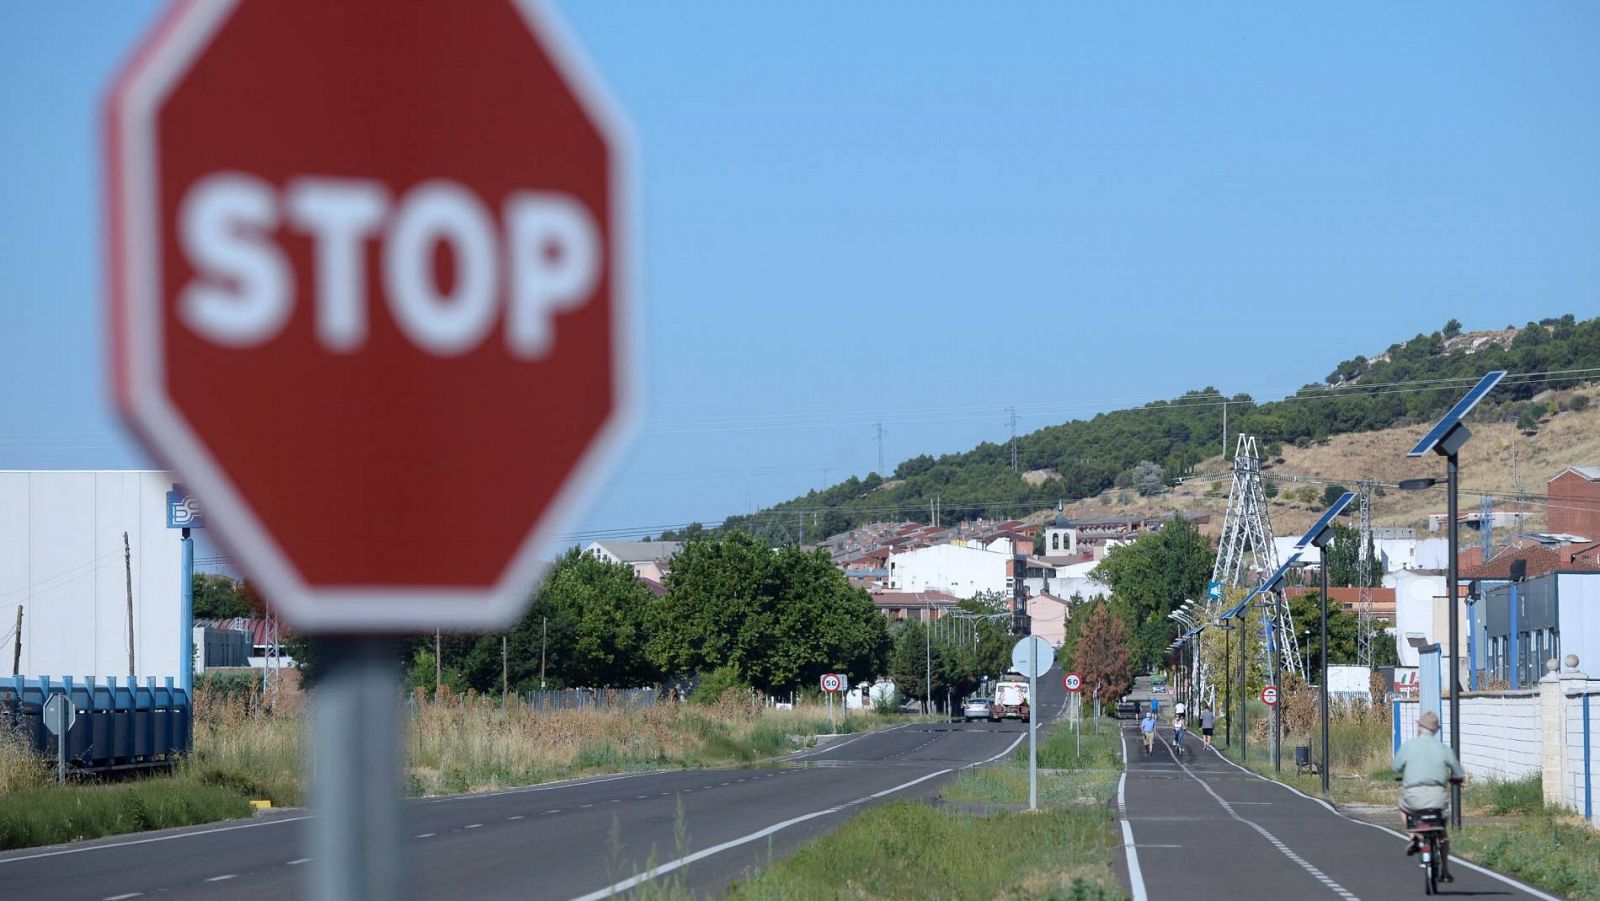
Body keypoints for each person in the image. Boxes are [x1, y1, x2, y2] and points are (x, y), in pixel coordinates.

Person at [1393, 710, 1465, 883]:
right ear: (1435, 730)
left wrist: (1403, 773)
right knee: (1442, 831)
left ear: (1420, 727)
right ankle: (1445, 871)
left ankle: (1414, 837)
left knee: (1403, 810)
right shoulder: (1443, 748)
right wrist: (1455, 779)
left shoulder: (1409, 746)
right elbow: (1457, 771)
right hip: (1437, 798)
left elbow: (1396, 767)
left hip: (1413, 796)